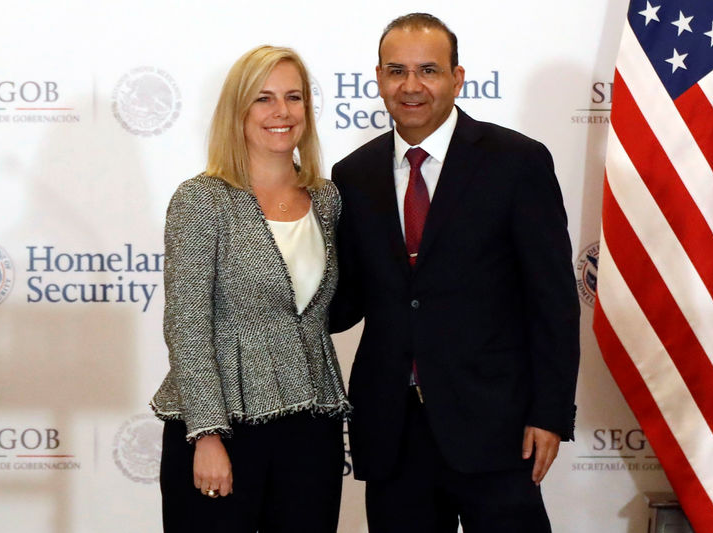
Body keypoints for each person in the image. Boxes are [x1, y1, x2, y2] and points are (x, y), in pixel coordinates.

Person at [330, 13, 580, 533]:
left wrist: (550, 412)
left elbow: (552, 300)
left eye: (429, 70)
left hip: (498, 427)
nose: (411, 86)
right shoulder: (352, 175)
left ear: (457, 78)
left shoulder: (517, 162)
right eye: (396, 71)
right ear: (377, 79)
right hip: (393, 432)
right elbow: (348, 299)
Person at [151, 45, 349, 533]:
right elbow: (186, 324)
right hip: (222, 429)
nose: (281, 112)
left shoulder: (326, 199)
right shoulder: (203, 199)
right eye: (263, 99)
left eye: (294, 97)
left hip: (313, 425)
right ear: (237, 112)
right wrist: (207, 435)